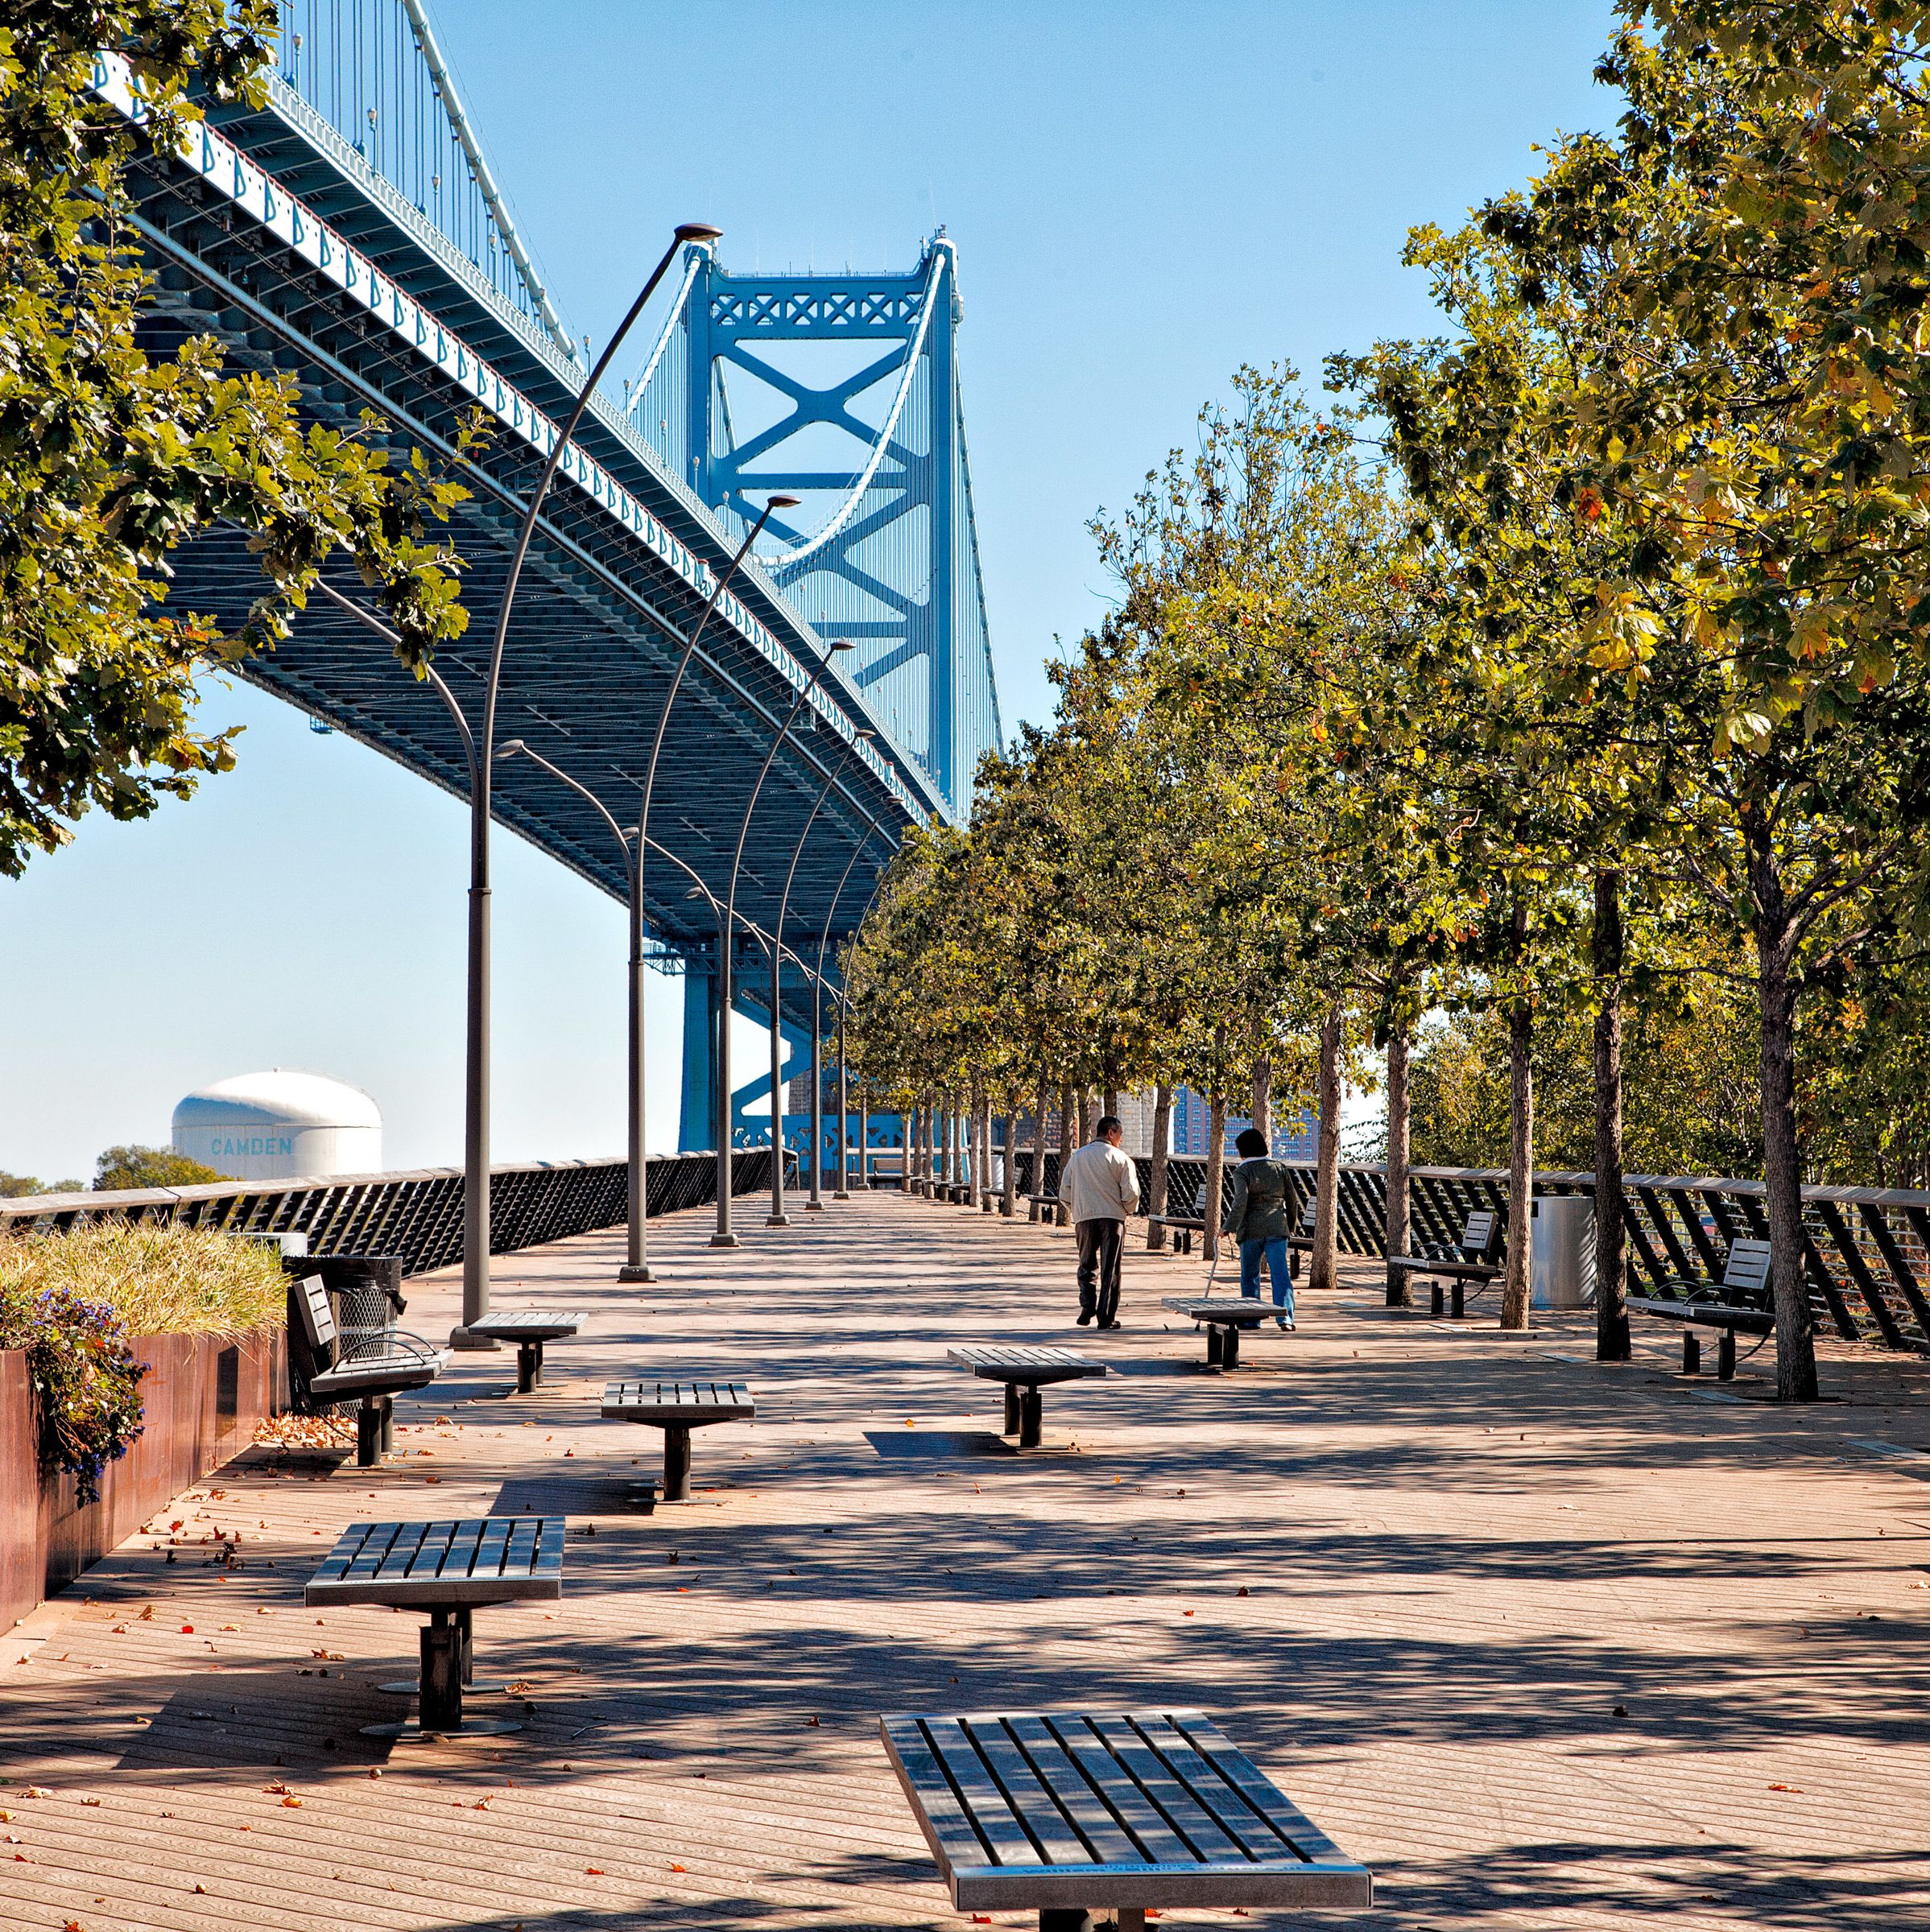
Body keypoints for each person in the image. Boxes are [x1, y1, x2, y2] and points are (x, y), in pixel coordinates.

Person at [1060, 1113, 1140, 1329]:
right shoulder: (1121, 1159)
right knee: (1110, 1269)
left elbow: (1064, 1191)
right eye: (1120, 1135)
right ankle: (1106, 1317)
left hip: (1084, 1218)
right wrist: (1126, 1210)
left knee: (1086, 1265)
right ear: (1111, 1133)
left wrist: (1077, 1210)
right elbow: (1131, 1193)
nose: (1120, 1140)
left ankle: (1087, 1306)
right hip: (1112, 1219)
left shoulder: (1077, 1157)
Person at [1222, 1125, 1296, 1328]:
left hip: (1251, 1229)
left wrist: (1228, 1226)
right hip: (1277, 1227)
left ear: (1243, 1150)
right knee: (1280, 1273)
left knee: (1250, 1275)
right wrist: (1289, 1225)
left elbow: (1240, 1202)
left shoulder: (1242, 1171)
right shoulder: (1279, 1168)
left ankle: (1252, 1318)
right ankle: (1286, 1317)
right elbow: (1292, 1200)